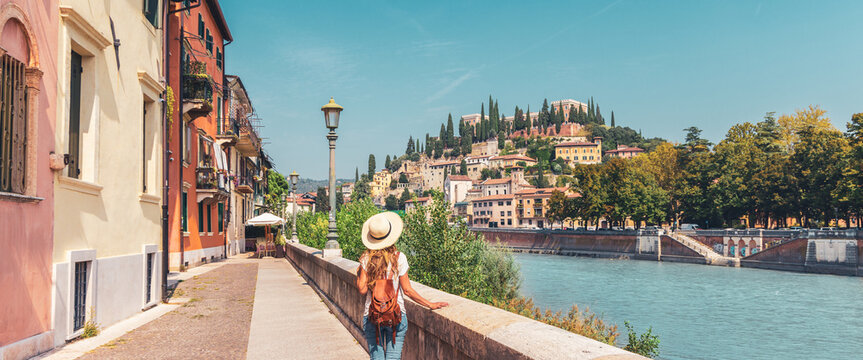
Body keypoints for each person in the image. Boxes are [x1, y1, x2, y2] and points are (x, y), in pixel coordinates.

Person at [356, 212, 448, 360]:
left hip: (372, 316)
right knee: (393, 357)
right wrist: (430, 304)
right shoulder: (400, 257)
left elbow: (362, 289)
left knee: (377, 357)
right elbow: (407, 290)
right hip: (396, 315)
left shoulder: (366, 259)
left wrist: (360, 270)